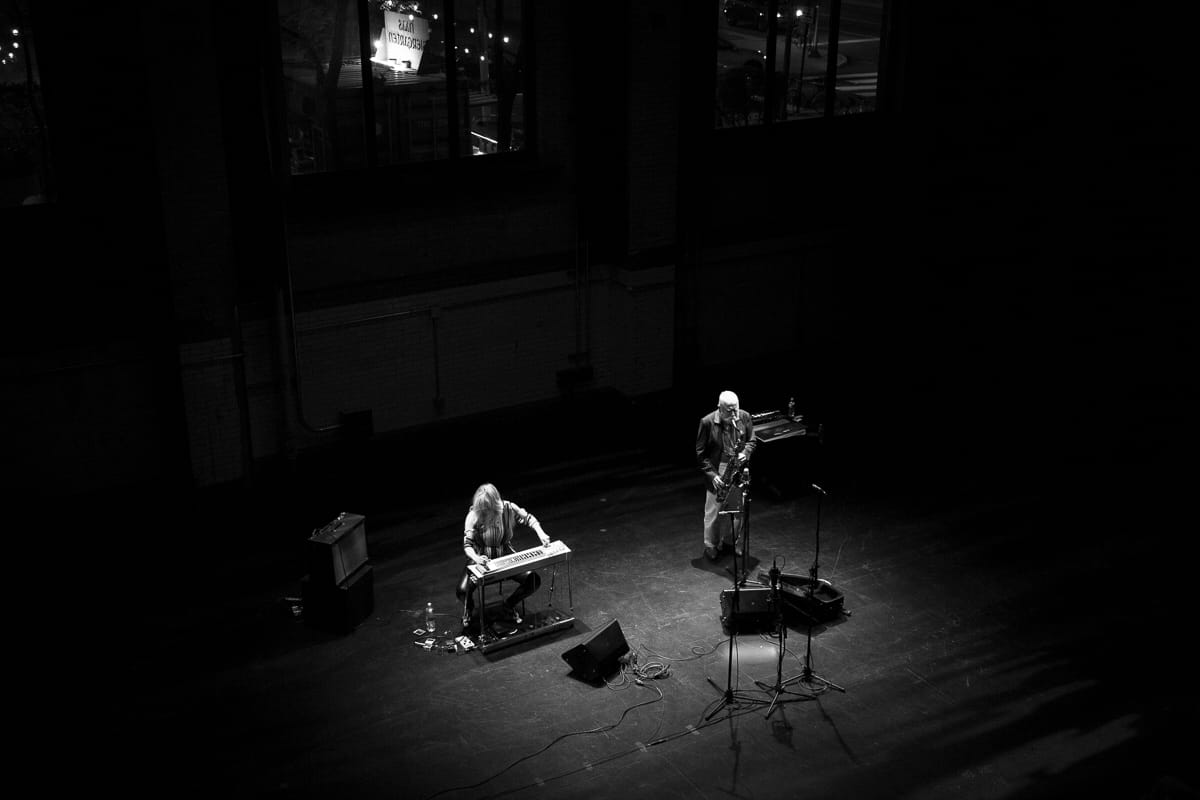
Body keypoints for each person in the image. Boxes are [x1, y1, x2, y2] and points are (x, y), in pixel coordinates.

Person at [456, 483, 551, 631]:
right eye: (482, 508)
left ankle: (508, 606)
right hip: (480, 558)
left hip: (505, 555)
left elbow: (529, 518)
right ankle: (469, 608)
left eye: (488, 508)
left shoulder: (507, 508)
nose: (485, 511)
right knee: (462, 591)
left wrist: (541, 533)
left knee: (533, 580)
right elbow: (468, 545)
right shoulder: (473, 515)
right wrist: (477, 558)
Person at [695, 390, 755, 561]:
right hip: (719, 468)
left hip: (739, 467)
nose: (734, 414)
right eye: (730, 410)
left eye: (736, 409)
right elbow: (700, 453)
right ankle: (711, 545)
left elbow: (752, 440)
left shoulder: (744, 416)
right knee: (713, 512)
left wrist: (745, 453)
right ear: (719, 408)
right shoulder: (707, 422)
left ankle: (730, 542)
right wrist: (712, 475)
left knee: (738, 510)